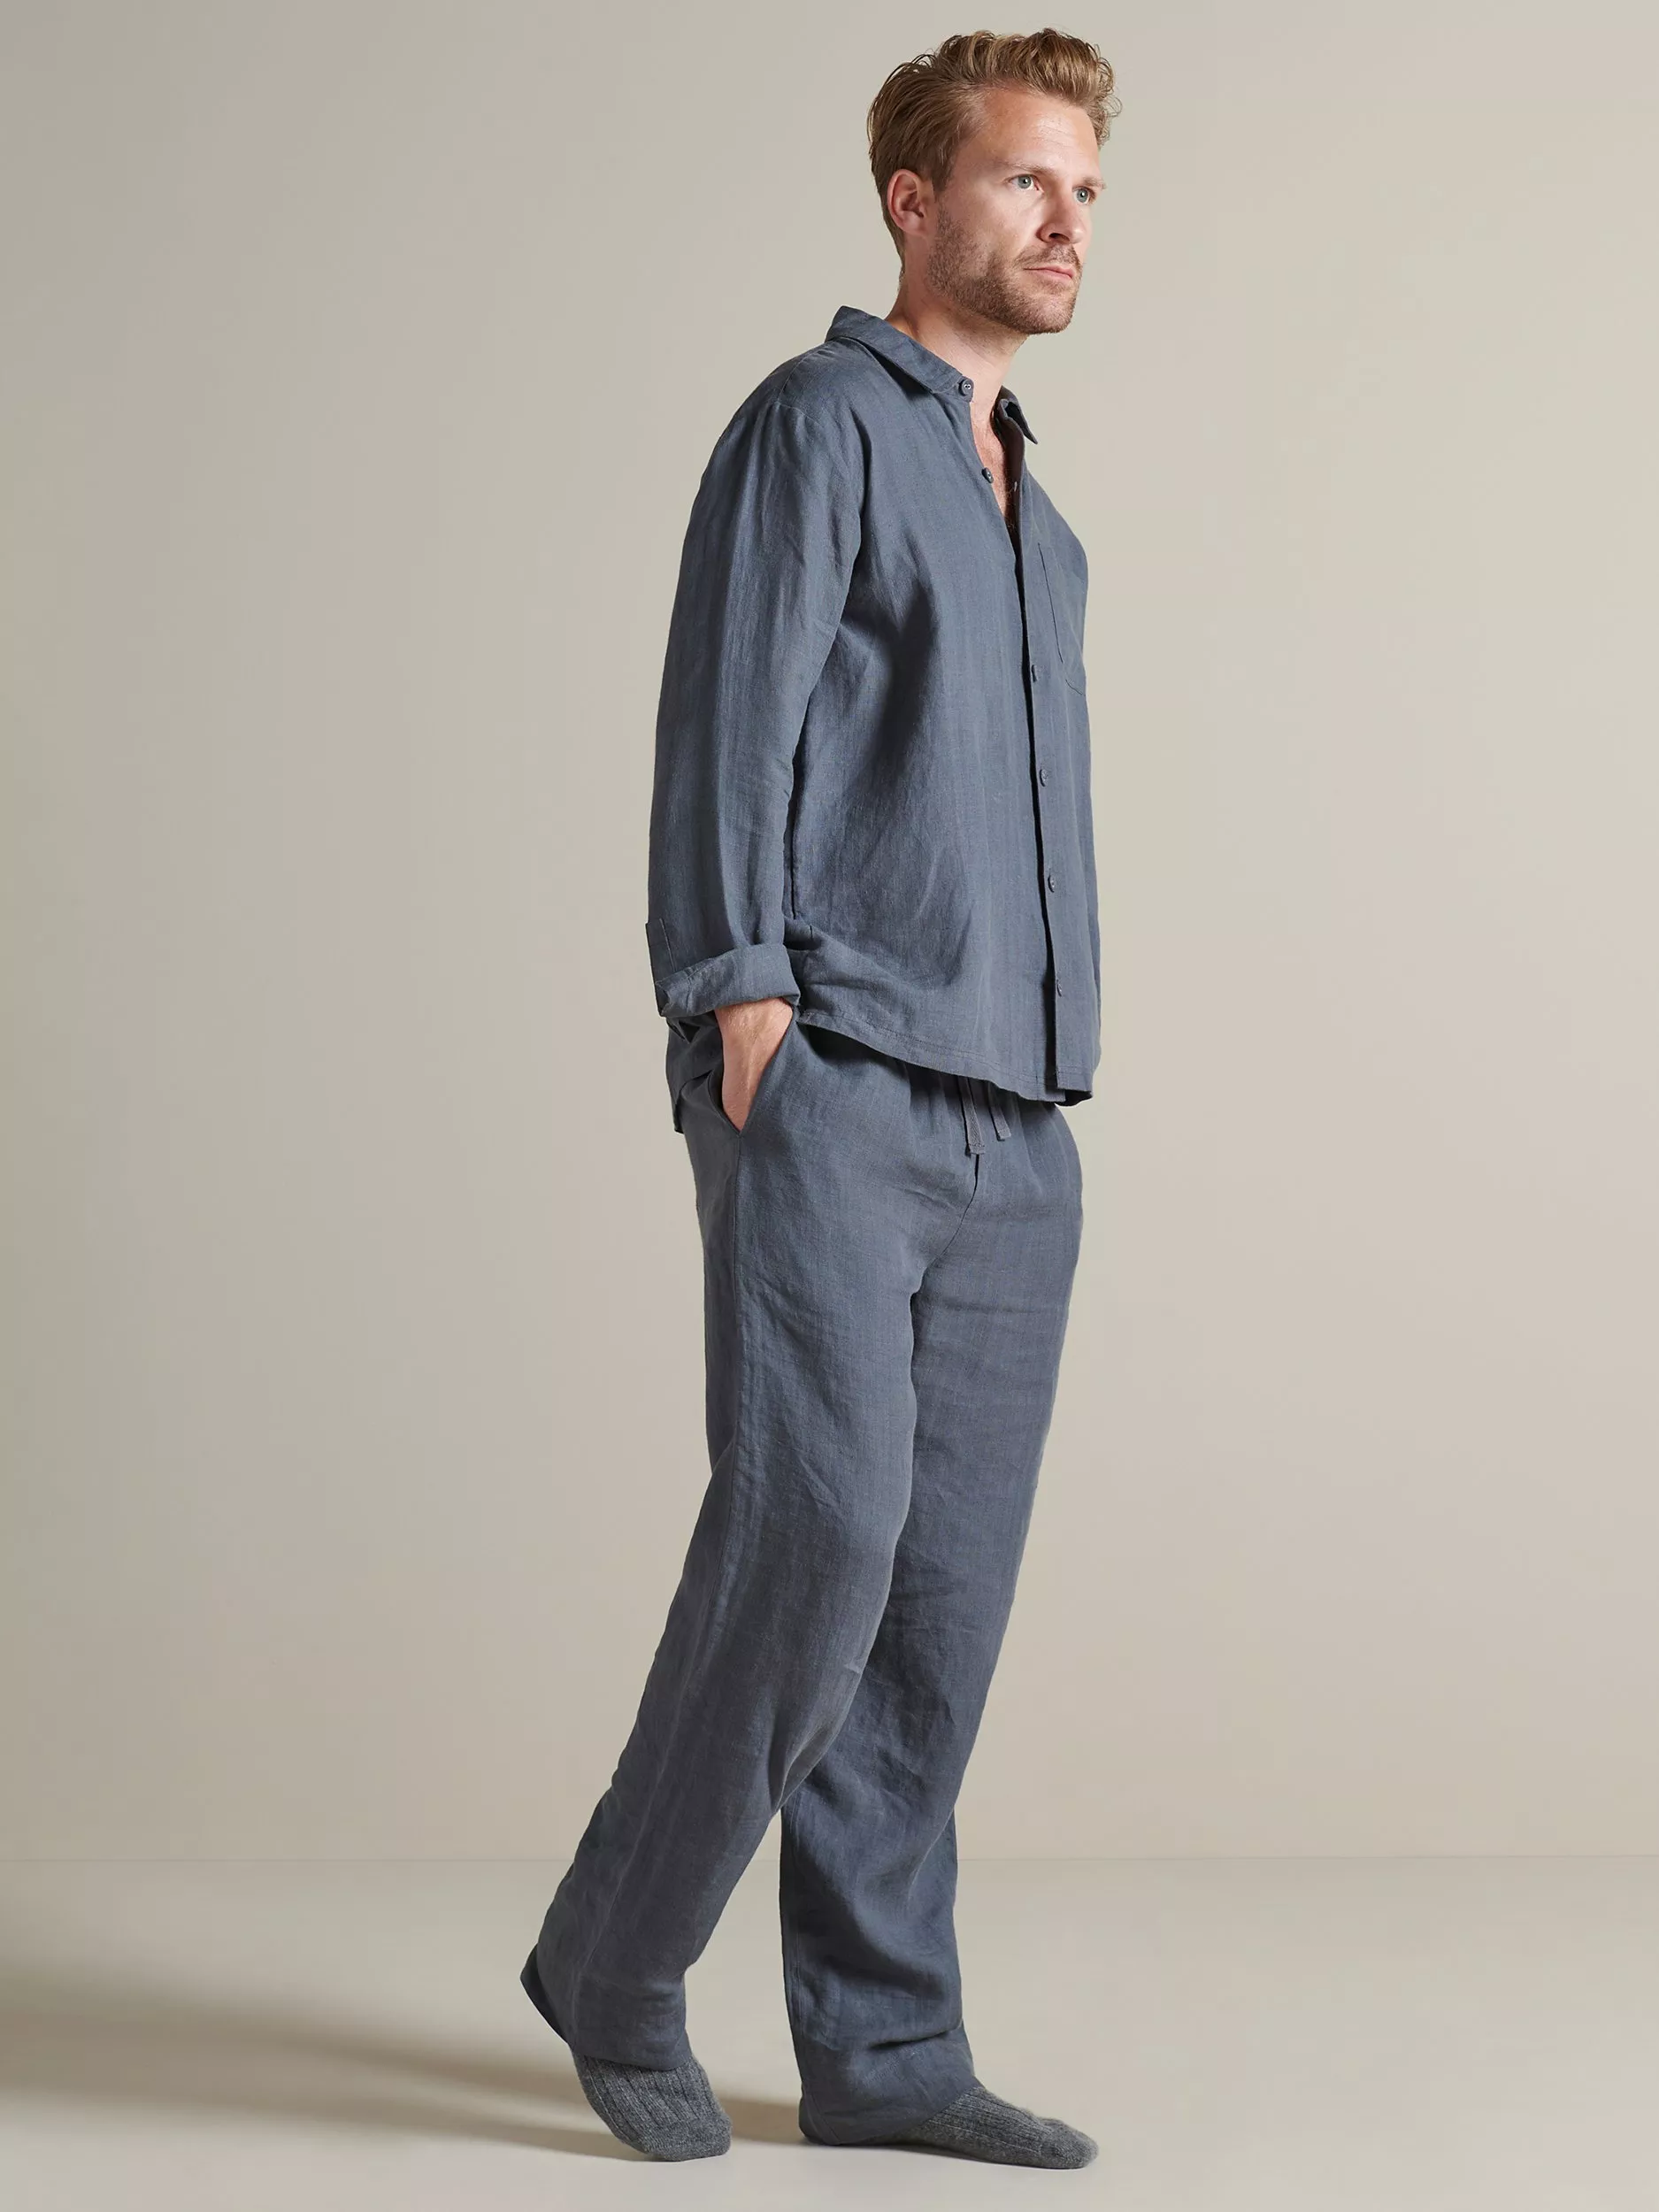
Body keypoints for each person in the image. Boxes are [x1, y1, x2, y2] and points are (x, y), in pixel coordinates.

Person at [523, 27, 1118, 2167]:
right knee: (816, 1535)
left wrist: (1050, 1080)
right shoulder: (814, 424)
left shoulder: (1042, 522)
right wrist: (738, 1003)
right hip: (838, 1081)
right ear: (913, 200)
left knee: (935, 1603)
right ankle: (614, 1955)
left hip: (1015, 1125)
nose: (1064, 223)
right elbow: (730, 716)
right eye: (1026, 180)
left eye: (1086, 192)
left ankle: (882, 2044)